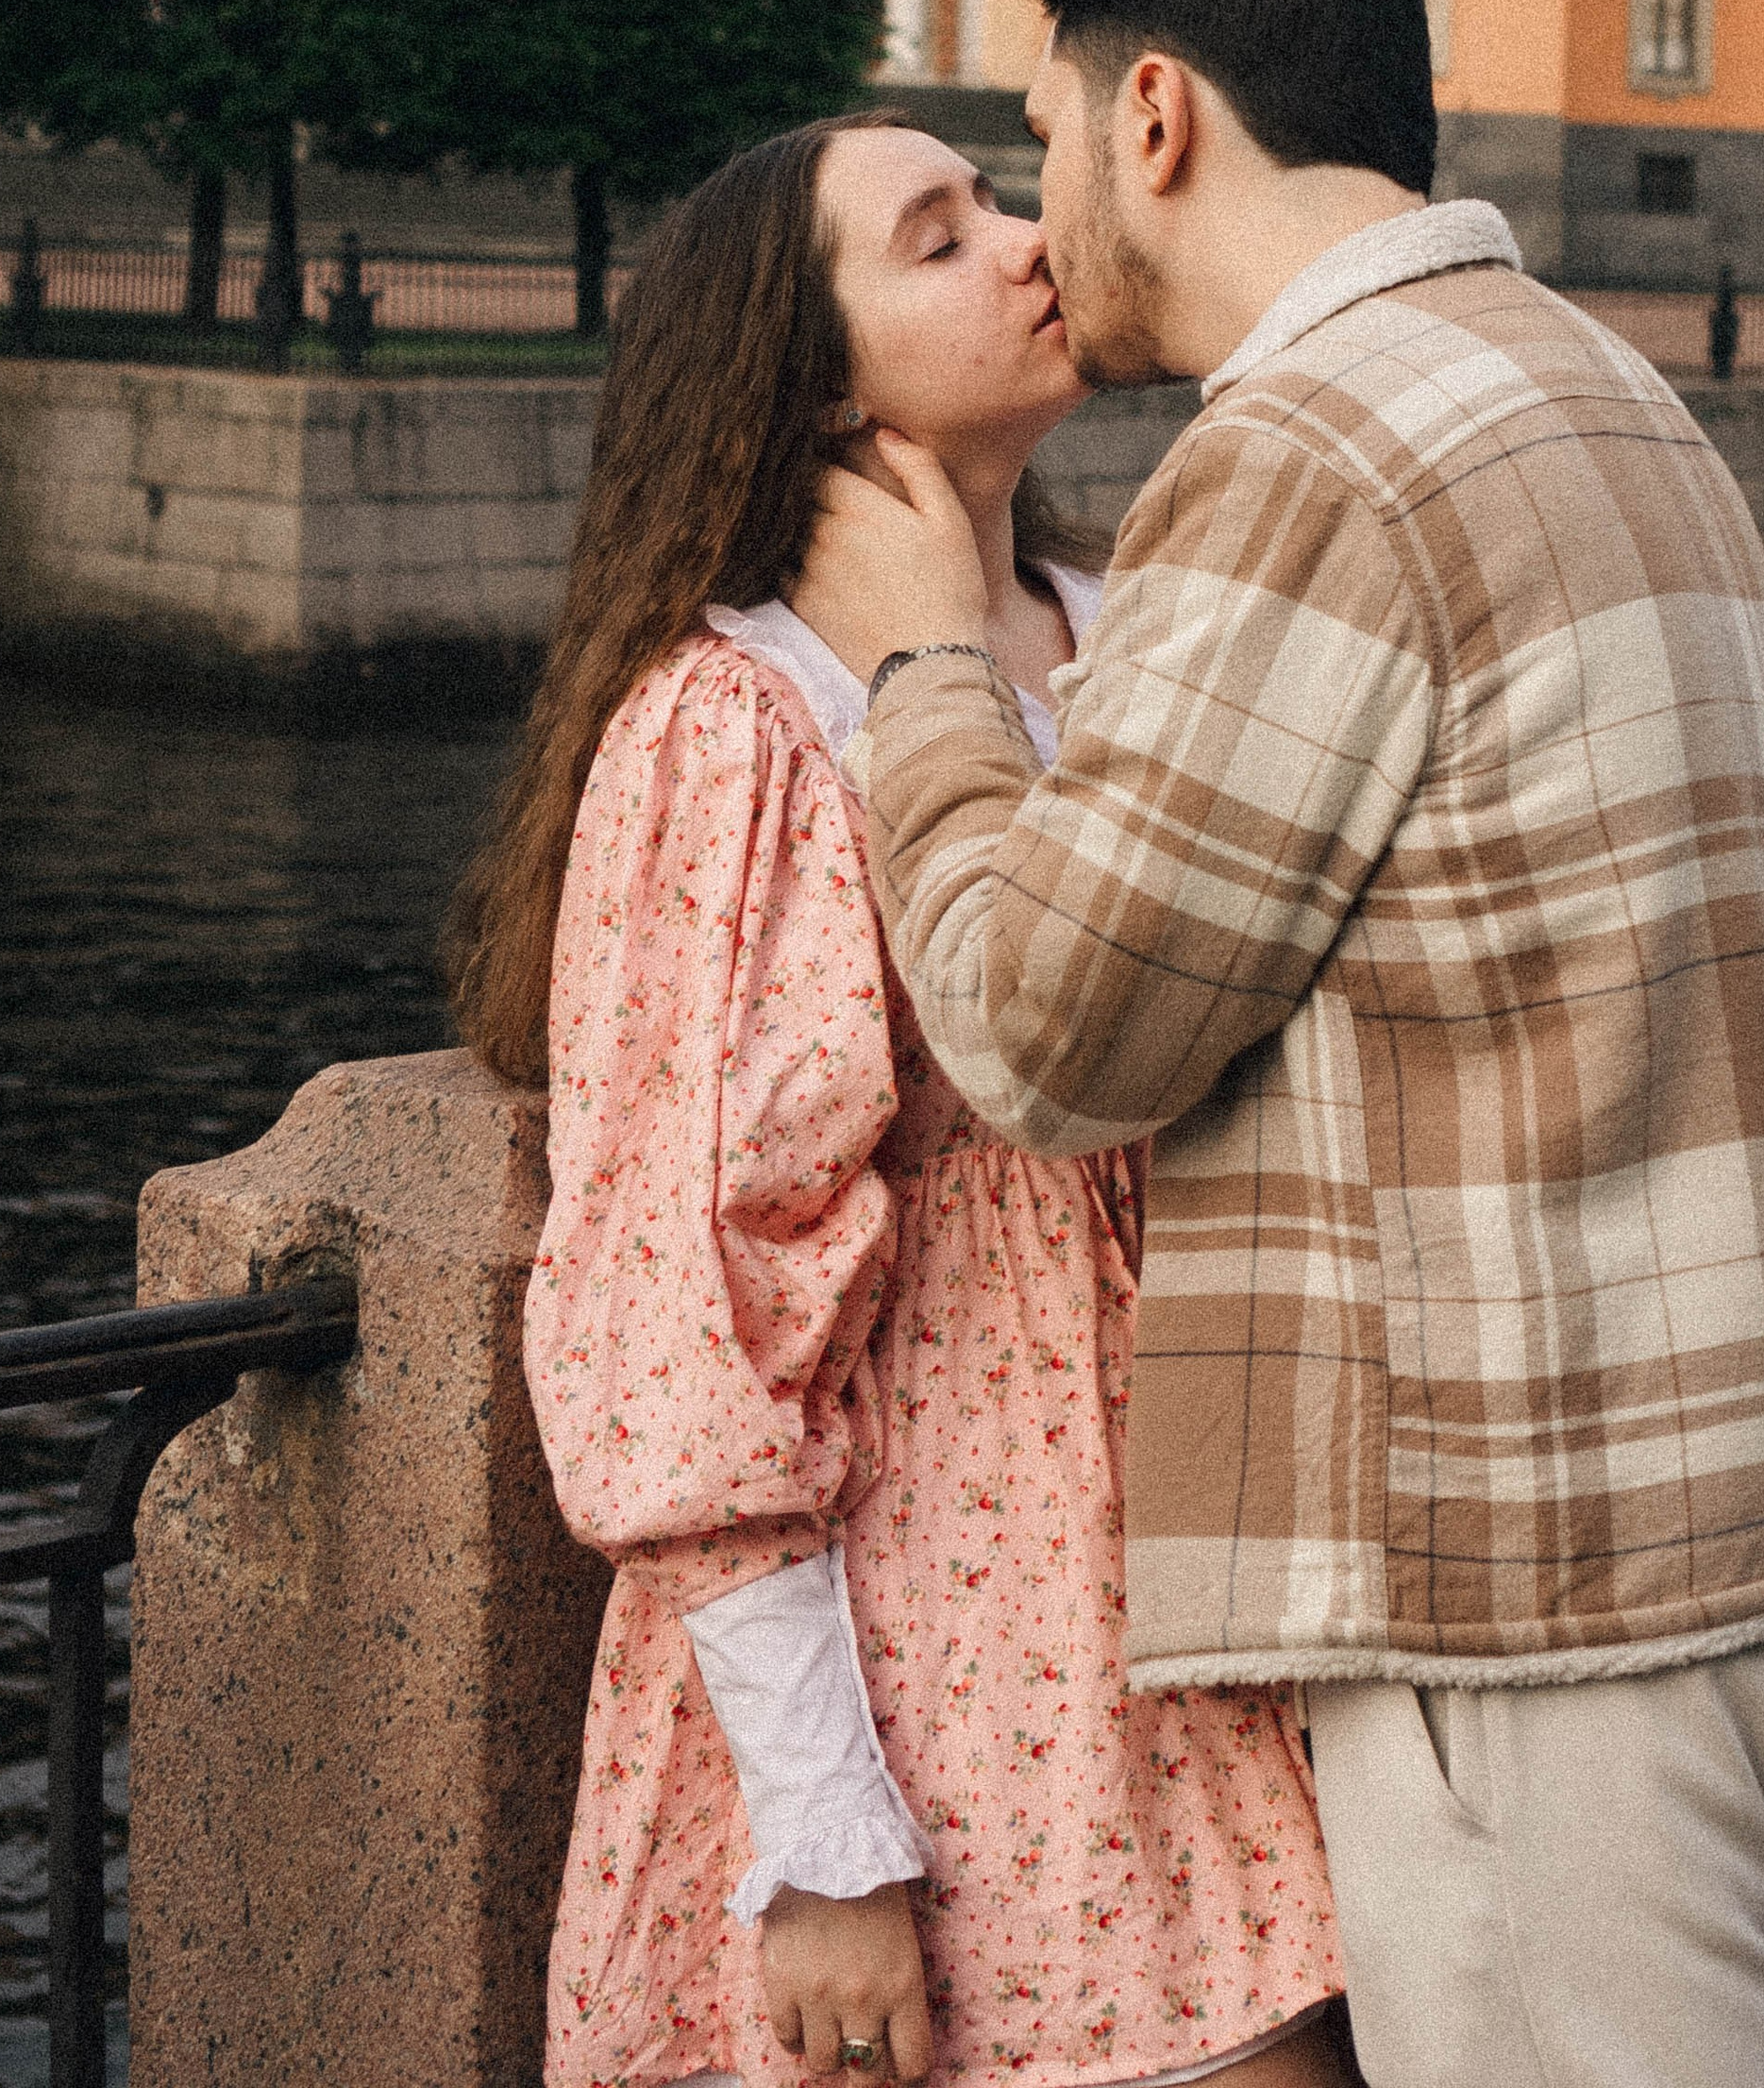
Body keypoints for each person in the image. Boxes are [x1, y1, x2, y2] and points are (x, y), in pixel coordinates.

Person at [797, 0, 1764, 2088]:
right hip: (1697, 1504)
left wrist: (919, 674)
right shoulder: (1596, 385)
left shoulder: (1305, 451)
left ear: (1158, 113)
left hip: (1518, 1565)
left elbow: (1043, 1027)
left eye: (1047, 135)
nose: (1043, 203)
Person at [445, 115, 1348, 2088]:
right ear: (811, 381)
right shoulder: (737, 723)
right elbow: (682, 1297)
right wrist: (824, 1833)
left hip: (1200, 1594)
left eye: (996, 201)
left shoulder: (1126, 633)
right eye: (937, 239)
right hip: (934, 1633)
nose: (1031, 246)